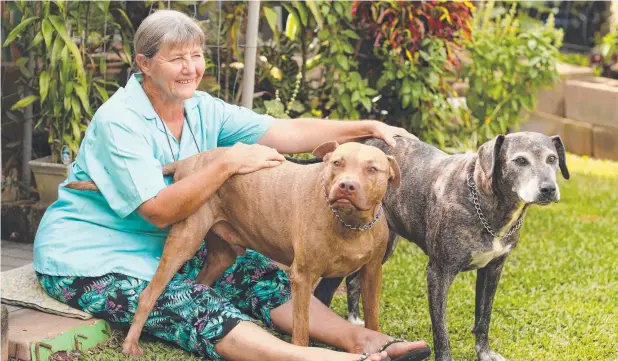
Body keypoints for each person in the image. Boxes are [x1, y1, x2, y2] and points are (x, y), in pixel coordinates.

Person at [33, 9, 429, 361]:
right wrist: (228, 161)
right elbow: (157, 211)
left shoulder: (201, 108)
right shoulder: (118, 120)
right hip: (94, 258)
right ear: (145, 64)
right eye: (176, 58)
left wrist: (367, 127)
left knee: (261, 275)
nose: (190, 67)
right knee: (192, 301)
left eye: (196, 55)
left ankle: (363, 339)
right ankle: (303, 357)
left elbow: (285, 131)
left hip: (178, 246)